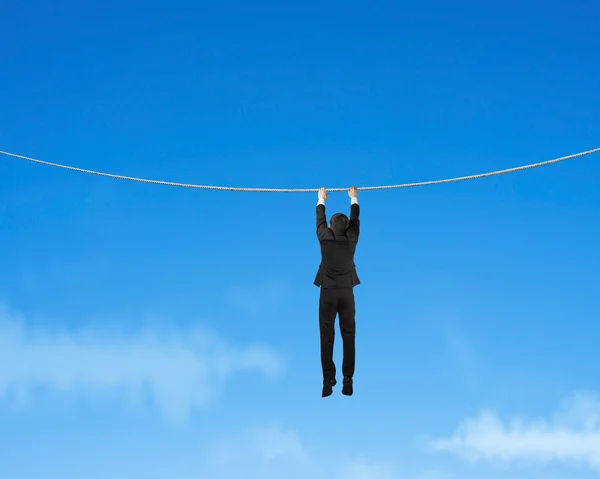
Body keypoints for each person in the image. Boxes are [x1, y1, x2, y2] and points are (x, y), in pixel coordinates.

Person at [313, 185, 360, 397]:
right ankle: (347, 379)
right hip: (346, 293)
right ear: (347, 228)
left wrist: (321, 199)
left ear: (331, 229)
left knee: (327, 336)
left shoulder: (325, 238)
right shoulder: (352, 238)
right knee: (348, 335)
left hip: (328, 293)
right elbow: (356, 221)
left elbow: (319, 221)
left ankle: (327, 381)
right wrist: (354, 198)